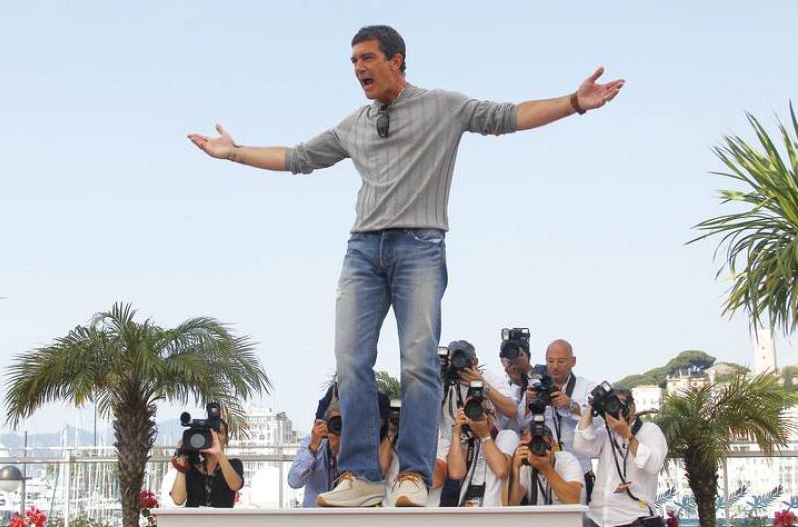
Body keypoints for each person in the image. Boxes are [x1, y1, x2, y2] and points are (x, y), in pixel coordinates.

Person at [188, 24, 624, 508]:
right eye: (353, 61)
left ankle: (413, 475)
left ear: (397, 60)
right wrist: (234, 154)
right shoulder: (354, 123)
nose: (358, 69)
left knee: (418, 364)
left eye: (368, 58)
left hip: (420, 246)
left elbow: (507, 116)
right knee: (351, 364)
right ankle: (361, 476)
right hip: (362, 252)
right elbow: (298, 157)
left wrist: (574, 102)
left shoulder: (443, 106)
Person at [573, 387, 667, 527]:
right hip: (597, 517)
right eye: (610, 405)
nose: (615, 408)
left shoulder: (649, 430)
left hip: (633, 516)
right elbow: (580, 445)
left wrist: (627, 435)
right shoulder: (607, 431)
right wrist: (592, 407)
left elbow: (653, 465)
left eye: (619, 403)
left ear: (632, 406)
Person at [519, 339, 597, 501]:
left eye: (561, 361)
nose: (555, 366)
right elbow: (520, 424)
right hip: (541, 467)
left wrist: (572, 405)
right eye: (550, 361)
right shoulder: (536, 387)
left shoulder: (587, 387)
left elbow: (600, 424)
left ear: (573, 361)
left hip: (579, 470)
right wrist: (527, 403)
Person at [440, 340, 518, 438]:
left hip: (486, 442)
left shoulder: (489, 378)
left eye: (461, 360)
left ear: (475, 362)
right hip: (452, 443)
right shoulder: (440, 381)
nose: (457, 366)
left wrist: (483, 385)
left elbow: (512, 410)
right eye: (453, 361)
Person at [447, 403, 518, 507]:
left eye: (479, 412)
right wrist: (456, 432)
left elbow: (501, 470)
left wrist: (485, 435)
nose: (474, 418)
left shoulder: (506, 435)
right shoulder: (466, 440)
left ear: (491, 414)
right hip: (466, 513)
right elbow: (456, 473)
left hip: (494, 515)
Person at [169, 419, 243, 508]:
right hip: (194, 520)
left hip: (222, 520)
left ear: (227, 440)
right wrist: (182, 457)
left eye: (218, 431)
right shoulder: (192, 465)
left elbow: (235, 485)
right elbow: (178, 500)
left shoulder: (234, 464)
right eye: (210, 431)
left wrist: (219, 453)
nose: (214, 435)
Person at [503, 426, 584, 505]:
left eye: (539, 443)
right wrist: (515, 468)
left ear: (553, 443)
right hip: (539, 518)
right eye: (531, 445)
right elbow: (509, 504)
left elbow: (573, 500)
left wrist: (545, 468)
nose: (535, 449)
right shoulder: (526, 465)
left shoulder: (567, 460)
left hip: (570, 518)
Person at [287, 400, 343, 507]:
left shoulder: (353, 443)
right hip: (314, 517)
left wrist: (338, 449)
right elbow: (294, 482)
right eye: (334, 422)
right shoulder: (313, 440)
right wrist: (312, 449)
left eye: (340, 423)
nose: (337, 426)